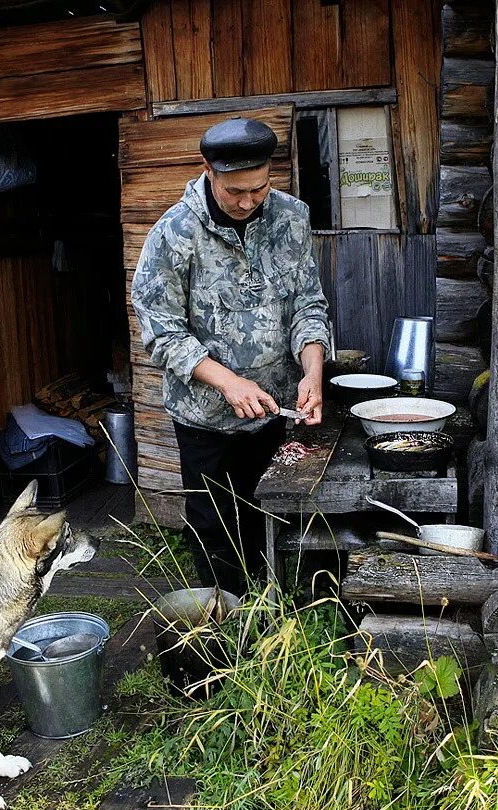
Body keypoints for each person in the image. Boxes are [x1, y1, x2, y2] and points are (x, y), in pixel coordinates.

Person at [130, 117, 331, 596]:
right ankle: (224, 638)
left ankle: (270, 623)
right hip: (206, 422)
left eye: (258, 189)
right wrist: (226, 381)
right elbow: (161, 333)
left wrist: (313, 372)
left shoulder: (291, 218)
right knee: (215, 532)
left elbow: (308, 304)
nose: (247, 202)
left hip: (275, 411)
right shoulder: (174, 234)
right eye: (234, 191)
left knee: (268, 521)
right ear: (208, 171)